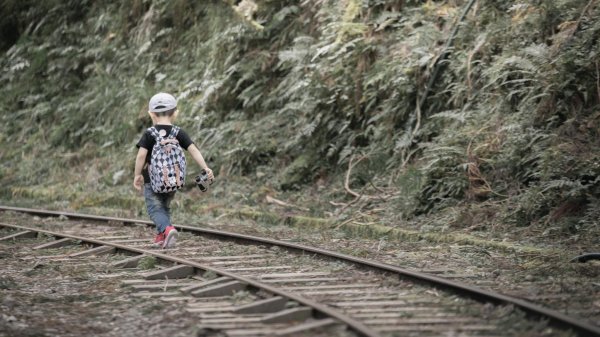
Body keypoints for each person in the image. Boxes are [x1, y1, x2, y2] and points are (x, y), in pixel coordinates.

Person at [133, 92, 214, 248]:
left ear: (151, 114)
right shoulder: (179, 133)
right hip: (173, 180)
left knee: (155, 209)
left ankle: (168, 229)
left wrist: (137, 175)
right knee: (164, 207)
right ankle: (161, 237)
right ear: (175, 113)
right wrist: (205, 167)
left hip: (152, 180)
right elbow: (194, 150)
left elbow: (141, 155)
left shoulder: (150, 134)